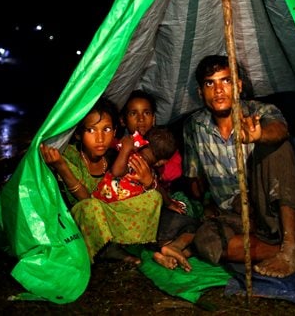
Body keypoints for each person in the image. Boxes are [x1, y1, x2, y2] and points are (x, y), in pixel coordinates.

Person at [183, 54, 295, 278]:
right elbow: (195, 179)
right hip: (235, 216)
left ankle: (291, 246)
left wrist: (260, 136)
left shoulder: (259, 112)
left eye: (226, 81)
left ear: (239, 85)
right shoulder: (194, 126)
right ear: (201, 92)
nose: (219, 90)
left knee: (276, 146)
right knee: (206, 243)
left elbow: (280, 129)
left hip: (272, 209)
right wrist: (204, 204)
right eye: (210, 83)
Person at [39, 96, 162, 265]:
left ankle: (122, 241)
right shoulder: (69, 156)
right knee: (91, 206)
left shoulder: (114, 156)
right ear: (78, 134)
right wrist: (61, 166)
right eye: (91, 130)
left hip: (110, 214)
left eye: (106, 130)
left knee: (153, 198)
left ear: (115, 130)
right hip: (83, 217)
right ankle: (106, 248)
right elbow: (84, 198)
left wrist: (148, 184)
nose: (100, 138)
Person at [119, 90, 201, 271]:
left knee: (183, 206)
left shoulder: (165, 143)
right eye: (134, 114)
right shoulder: (122, 150)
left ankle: (166, 251)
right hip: (138, 213)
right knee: (191, 226)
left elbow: (174, 173)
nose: (141, 119)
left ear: (154, 118)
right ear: (123, 120)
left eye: (146, 113)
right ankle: (171, 248)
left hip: (162, 203)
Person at [93, 127, 174, 204]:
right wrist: (169, 204)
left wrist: (125, 149)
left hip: (101, 202)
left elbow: (116, 172)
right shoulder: (151, 174)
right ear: (162, 162)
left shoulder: (130, 155)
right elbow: (116, 172)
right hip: (121, 209)